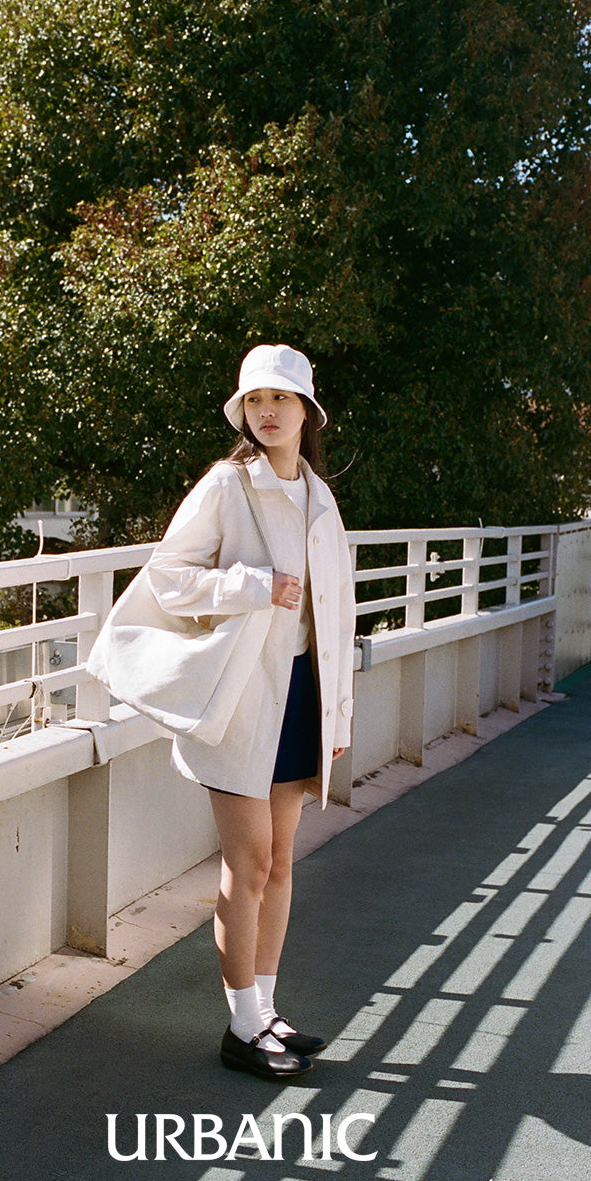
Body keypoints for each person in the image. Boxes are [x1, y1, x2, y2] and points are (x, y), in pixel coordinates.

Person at [144, 344, 355, 1079]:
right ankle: (241, 1028)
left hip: (300, 696)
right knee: (250, 861)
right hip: (239, 698)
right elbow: (167, 577)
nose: (267, 412)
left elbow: (337, 615)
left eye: (281, 399)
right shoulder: (226, 485)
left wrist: (337, 720)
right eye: (256, 400)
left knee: (282, 862)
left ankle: (265, 1012)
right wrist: (252, 586)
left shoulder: (321, 499)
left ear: (307, 412)